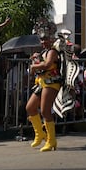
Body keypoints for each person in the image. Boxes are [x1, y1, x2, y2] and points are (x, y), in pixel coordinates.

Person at [26, 18, 62, 151]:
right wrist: (35, 59)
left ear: (52, 39)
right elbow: (39, 66)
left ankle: (51, 140)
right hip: (41, 83)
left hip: (51, 82)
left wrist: (35, 66)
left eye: (46, 39)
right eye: (41, 39)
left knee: (45, 110)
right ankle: (40, 134)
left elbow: (47, 65)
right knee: (30, 108)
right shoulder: (42, 53)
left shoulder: (53, 52)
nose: (43, 42)